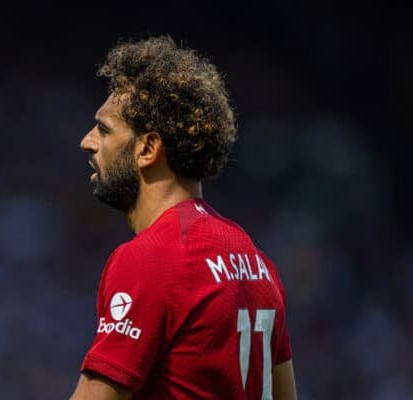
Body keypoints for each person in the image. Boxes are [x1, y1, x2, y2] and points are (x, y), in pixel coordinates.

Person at [70, 35, 297, 400]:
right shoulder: (258, 263)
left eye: (104, 129)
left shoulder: (149, 259)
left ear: (148, 148)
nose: (87, 141)